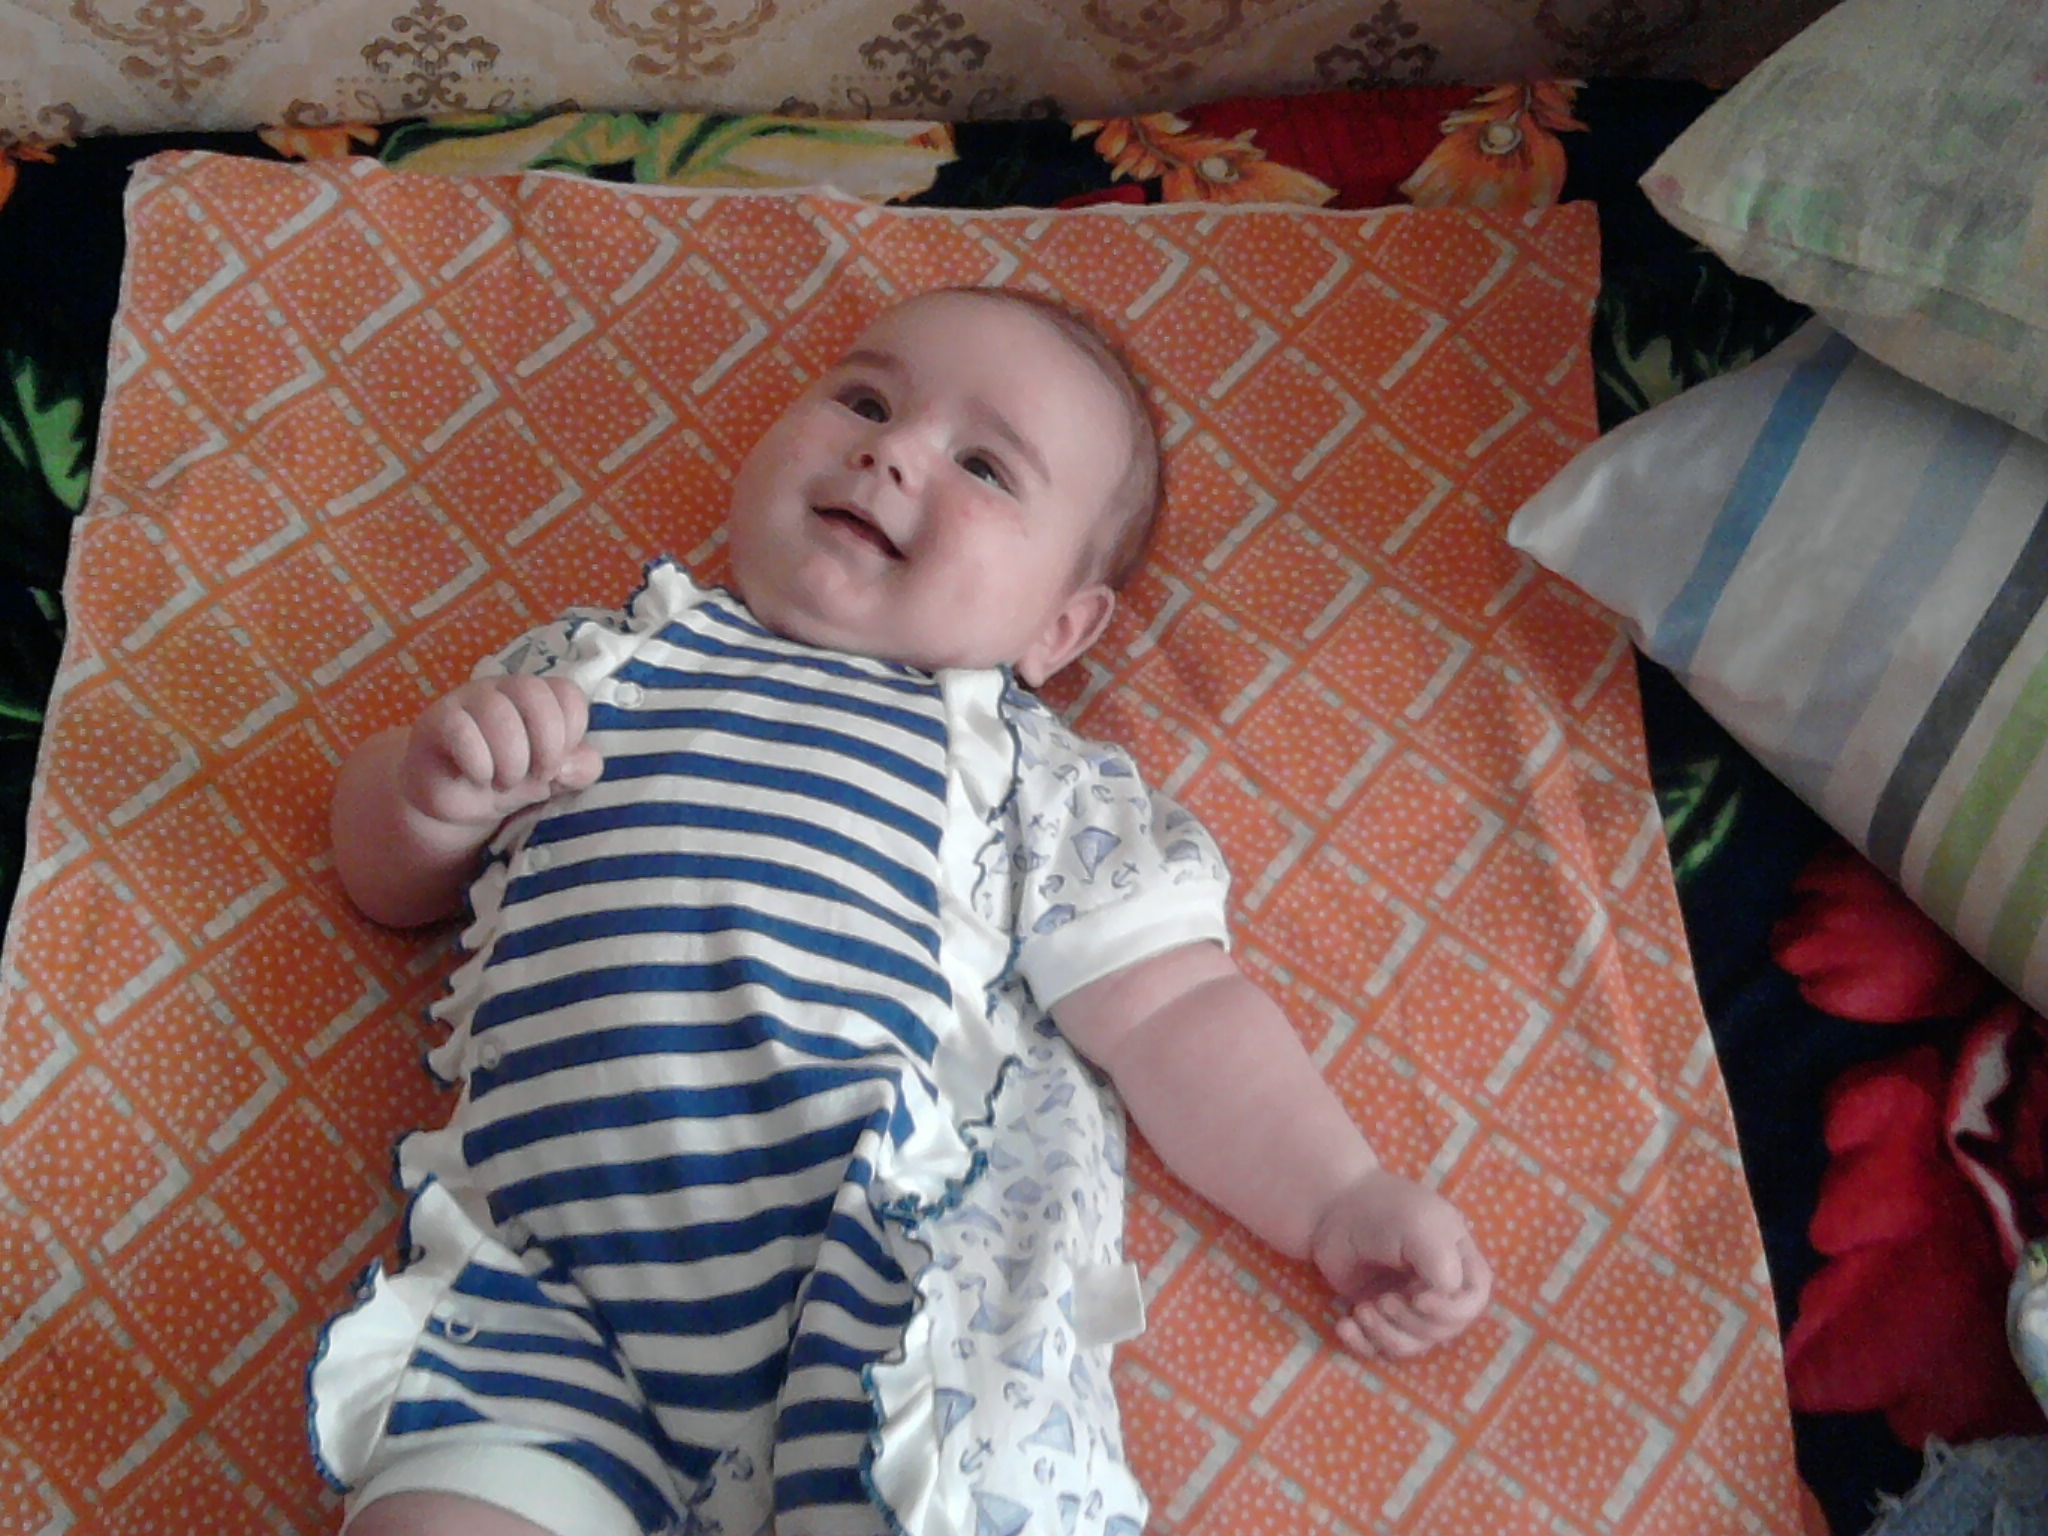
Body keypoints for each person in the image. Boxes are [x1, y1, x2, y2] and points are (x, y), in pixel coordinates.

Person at [308, 286, 1493, 1536]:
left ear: (1059, 627)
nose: (891, 452)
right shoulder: (609, 660)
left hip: (868, 1296)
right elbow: (382, 880)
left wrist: (1335, 1193)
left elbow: (1176, 1015)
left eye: (982, 465)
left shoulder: (1035, 782)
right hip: (547, 1295)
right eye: (864, 400)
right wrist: (434, 795)